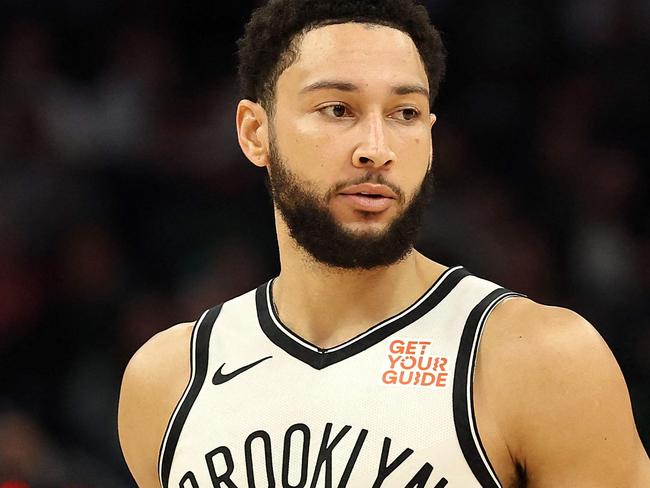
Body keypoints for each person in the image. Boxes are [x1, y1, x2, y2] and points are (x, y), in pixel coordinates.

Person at [117, 0, 650, 486]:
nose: (377, 148)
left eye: (405, 114)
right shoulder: (168, 378)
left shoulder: (541, 359)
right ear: (256, 133)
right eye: (337, 109)